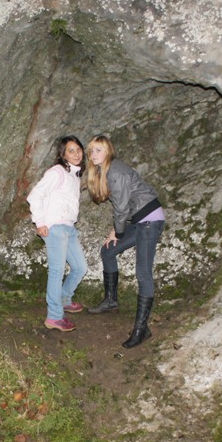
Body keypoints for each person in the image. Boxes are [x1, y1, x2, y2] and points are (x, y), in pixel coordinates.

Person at [86, 134, 165, 348]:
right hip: (140, 220)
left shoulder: (116, 171)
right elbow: (124, 207)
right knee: (108, 251)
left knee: (143, 273)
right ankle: (111, 301)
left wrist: (119, 232)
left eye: (99, 150)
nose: (94, 154)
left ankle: (141, 329)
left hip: (149, 220)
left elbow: (121, 208)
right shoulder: (105, 171)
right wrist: (116, 231)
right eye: (91, 150)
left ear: (108, 151)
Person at [27, 135, 88, 332]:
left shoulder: (74, 175)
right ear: (63, 154)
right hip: (55, 228)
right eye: (71, 151)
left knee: (80, 267)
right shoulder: (57, 172)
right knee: (57, 272)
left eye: (78, 150)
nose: (76, 154)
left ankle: (64, 299)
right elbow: (35, 195)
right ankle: (54, 316)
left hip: (68, 227)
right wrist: (40, 222)